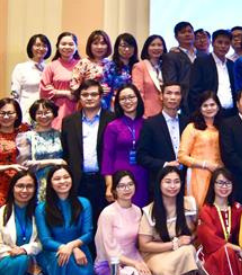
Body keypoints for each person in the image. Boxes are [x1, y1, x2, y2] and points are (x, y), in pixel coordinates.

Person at [94, 170, 157, 275]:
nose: (127, 189)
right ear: (114, 190)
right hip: (109, 263)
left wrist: (137, 262)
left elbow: (140, 240)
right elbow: (110, 252)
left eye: (130, 184)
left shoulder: (138, 211)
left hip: (133, 258)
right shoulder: (107, 213)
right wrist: (134, 264)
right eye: (121, 186)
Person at [60, 80, 114, 224]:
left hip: (104, 180)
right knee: (80, 221)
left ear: (100, 96)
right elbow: (66, 153)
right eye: (85, 95)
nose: (89, 98)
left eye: (93, 94)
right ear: (79, 97)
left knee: (104, 221)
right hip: (79, 180)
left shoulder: (112, 119)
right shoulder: (68, 122)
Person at [35, 166, 96, 275]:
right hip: (53, 251)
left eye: (66, 177)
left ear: (72, 179)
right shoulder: (41, 208)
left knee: (74, 260)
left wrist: (72, 246)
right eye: (57, 178)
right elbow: (45, 240)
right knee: (63, 259)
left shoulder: (84, 203)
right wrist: (66, 248)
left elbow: (88, 234)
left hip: (80, 249)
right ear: (50, 183)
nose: (62, 181)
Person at [138, 166, 198, 275]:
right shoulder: (150, 211)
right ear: (159, 183)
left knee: (188, 250)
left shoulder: (189, 204)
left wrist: (190, 238)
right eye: (168, 182)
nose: (172, 186)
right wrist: (175, 243)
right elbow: (143, 245)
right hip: (156, 255)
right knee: (163, 269)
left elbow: (198, 229)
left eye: (176, 182)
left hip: (180, 252)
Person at [197, 169, 242, 275]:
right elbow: (209, 240)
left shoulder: (237, 208)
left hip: (234, 254)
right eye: (220, 183)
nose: (224, 187)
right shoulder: (206, 210)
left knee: (230, 254)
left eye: (228, 183)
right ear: (213, 185)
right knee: (226, 252)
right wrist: (236, 248)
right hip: (209, 255)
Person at [136, 82, 188, 195]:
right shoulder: (150, 124)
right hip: (159, 181)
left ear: (181, 97)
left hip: (185, 182)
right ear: (161, 96)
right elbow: (141, 156)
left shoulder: (188, 122)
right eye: (168, 93)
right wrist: (165, 164)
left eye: (177, 93)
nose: (173, 97)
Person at [0, 171, 46, 275]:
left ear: (35, 189)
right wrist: (20, 257)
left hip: (32, 265)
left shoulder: (39, 212)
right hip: (6, 263)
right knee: (20, 261)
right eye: (20, 186)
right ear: (12, 188)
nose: (25, 190)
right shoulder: (1, 213)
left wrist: (24, 250)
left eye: (29, 186)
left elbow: (42, 241)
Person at [101, 85, 147, 206]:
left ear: (138, 98)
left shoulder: (147, 123)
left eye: (131, 97)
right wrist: (109, 185)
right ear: (118, 103)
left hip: (143, 174)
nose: (127, 101)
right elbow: (107, 156)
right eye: (123, 98)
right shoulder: (112, 126)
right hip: (120, 175)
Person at [178, 91, 224, 205]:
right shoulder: (192, 127)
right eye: (205, 105)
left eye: (212, 105)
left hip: (220, 174)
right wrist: (205, 165)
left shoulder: (224, 127)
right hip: (198, 174)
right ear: (200, 108)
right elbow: (181, 157)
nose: (209, 108)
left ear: (218, 106)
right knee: (199, 207)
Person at [16, 99, 65, 201]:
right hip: (37, 183)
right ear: (34, 115)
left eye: (47, 112)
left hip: (59, 183)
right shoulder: (26, 137)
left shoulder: (61, 135)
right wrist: (53, 161)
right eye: (39, 113)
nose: (43, 116)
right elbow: (23, 165)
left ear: (54, 114)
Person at [189, 29, 235, 116]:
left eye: (227, 43)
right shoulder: (201, 62)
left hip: (231, 113)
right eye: (220, 42)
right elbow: (194, 90)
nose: (223, 46)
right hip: (209, 113)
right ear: (212, 43)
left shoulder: (231, 64)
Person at [39, 32, 80, 129]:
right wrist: (65, 93)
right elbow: (44, 91)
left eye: (71, 44)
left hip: (78, 109)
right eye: (63, 44)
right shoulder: (51, 66)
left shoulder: (82, 65)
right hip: (57, 111)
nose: (67, 47)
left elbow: (87, 87)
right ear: (57, 46)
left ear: (76, 47)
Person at [10, 34, 51, 124]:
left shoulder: (50, 68)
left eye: (44, 46)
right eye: (37, 45)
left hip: (45, 113)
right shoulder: (21, 68)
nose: (41, 48)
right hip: (25, 111)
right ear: (31, 47)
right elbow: (15, 91)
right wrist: (14, 112)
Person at [0, 98, 30, 206]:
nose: (6, 117)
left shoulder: (25, 131)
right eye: (2, 113)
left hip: (23, 186)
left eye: (10, 113)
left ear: (17, 115)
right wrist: (10, 167)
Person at [70, 29, 112, 104]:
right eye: (95, 43)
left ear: (108, 46)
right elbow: (73, 87)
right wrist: (96, 89)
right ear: (90, 46)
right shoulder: (83, 63)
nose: (99, 47)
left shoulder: (112, 64)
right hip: (88, 104)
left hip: (110, 106)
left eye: (103, 43)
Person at [162, 21, 196, 112]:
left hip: (202, 102)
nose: (187, 34)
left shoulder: (202, 55)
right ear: (176, 37)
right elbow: (170, 81)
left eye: (189, 31)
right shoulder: (171, 56)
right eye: (183, 32)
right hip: (184, 103)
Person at [132, 34, 167, 118]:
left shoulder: (166, 66)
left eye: (159, 45)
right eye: (153, 45)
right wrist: (142, 113)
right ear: (146, 48)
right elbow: (138, 92)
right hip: (147, 113)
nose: (156, 48)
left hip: (165, 113)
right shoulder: (140, 66)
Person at [103, 33, 138, 109]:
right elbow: (105, 90)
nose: (127, 49)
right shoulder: (110, 66)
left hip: (135, 106)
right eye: (123, 46)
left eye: (130, 46)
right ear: (117, 47)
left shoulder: (138, 66)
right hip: (114, 106)